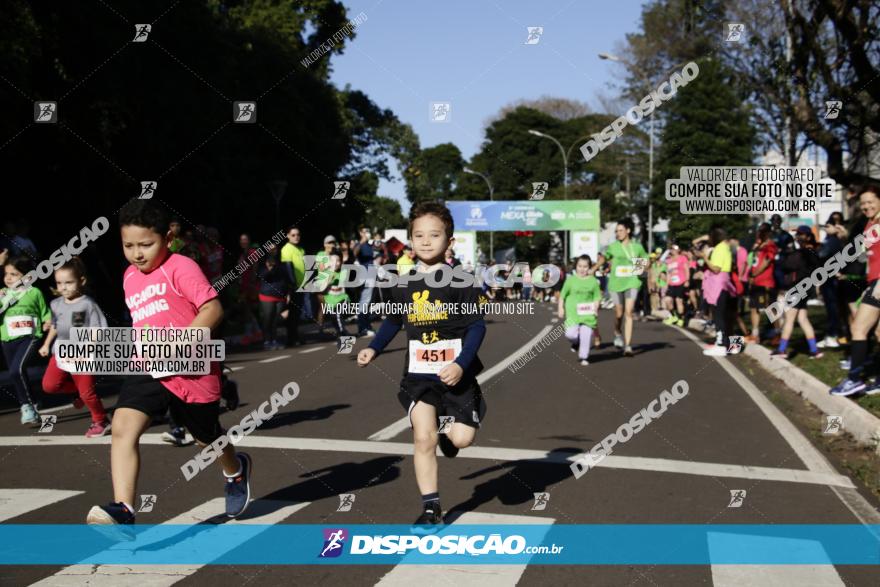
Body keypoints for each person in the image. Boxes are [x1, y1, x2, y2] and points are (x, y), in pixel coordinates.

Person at [87, 200, 252, 531]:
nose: (137, 253)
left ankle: (235, 470)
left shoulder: (181, 267)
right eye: (128, 245)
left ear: (168, 237)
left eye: (146, 244)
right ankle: (124, 509)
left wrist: (184, 341)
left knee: (207, 439)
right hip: (148, 365)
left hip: (191, 368)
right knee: (121, 428)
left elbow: (212, 309)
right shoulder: (129, 277)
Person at [357, 201, 487, 526]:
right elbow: (392, 322)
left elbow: (476, 327)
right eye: (419, 235)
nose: (426, 241)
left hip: (456, 375)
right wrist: (373, 348)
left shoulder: (462, 282)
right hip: (418, 376)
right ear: (410, 241)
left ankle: (447, 426)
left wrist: (460, 364)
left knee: (461, 439)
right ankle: (431, 508)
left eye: (434, 235)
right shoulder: (403, 283)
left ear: (450, 242)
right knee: (422, 438)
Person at [39, 258, 111, 437]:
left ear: (82, 281)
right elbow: (55, 325)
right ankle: (76, 392)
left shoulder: (87, 304)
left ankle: (100, 420)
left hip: (82, 355)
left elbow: (98, 329)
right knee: (49, 386)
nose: (63, 287)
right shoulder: (56, 304)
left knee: (87, 393)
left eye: (69, 282)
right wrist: (46, 344)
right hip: (61, 352)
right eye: (59, 283)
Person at [832, 186, 880, 396]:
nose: (866, 206)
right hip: (874, 281)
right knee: (878, 332)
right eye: (863, 203)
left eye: (871, 201)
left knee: (858, 328)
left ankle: (854, 379)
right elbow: (862, 253)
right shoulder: (871, 223)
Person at [0, 255, 50, 426]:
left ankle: (27, 407)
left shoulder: (34, 292)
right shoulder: (3, 294)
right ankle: (33, 400)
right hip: (7, 339)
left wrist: (48, 321)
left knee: (16, 370)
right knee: (19, 373)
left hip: (30, 337)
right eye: (6, 273)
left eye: (14, 274)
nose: (8, 277)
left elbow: (45, 312)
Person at [596, 218, 647, 357]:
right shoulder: (613, 246)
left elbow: (644, 260)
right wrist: (593, 268)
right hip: (616, 284)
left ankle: (628, 346)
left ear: (628, 231)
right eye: (616, 231)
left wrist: (642, 268)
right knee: (619, 313)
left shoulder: (637, 247)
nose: (618, 233)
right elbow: (603, 259)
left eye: (620, 230)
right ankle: (617, 332)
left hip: (632, 282)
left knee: (628, 312)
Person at [770, 226, 822, 359]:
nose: (798, 236)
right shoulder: (813, 252)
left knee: (789, 320)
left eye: (801, 234)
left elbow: (786, 266)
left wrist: (786, 254)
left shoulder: (802, 253)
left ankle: (782, 349)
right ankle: (814, 350)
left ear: (808, 237)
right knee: (803, 319)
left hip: (796, 288)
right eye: (797, 234)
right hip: (805, 288)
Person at [694, 227, 735, 356]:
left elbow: (716, 268)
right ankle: (729, 344)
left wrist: (704, 258)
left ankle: (721, 345)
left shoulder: (718, 249)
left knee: (718, 315)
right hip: (724, 282)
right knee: (725, 315)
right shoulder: (725, 247)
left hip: (718, 284)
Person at [559, 255, 601, 365]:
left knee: (586, 335)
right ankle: (575, 342)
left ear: (589, 267)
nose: (582, 269)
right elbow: (562, 295)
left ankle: (584, 357)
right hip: (573, 314)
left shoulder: (593, 281)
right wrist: (560, 308)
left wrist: (596, 308)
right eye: (580, 266)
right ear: (576, 267)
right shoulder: (571, 281)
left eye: (585, 266)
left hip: (588, 313)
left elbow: (597, 296)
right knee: (570, 334)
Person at [817, 216, 846, 348]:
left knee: (833, 309)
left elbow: (821, 255)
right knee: (832, 309)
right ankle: (835, 334)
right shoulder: (830, 240)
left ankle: (833, 335)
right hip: (828, 278)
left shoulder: (833, 241)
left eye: (828, 226)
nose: (826, 228)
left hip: (832, 280)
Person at [747, 223, 777, 343]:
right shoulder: (758, 246)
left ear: (769, 232)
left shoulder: (771, 246)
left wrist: (754, 274)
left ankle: (777, 332)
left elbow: (766, 262)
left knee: (770, 308)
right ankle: (755, 334)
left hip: (765, 282)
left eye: (764, 231)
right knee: (754, 308)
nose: (761, 233)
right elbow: (752, 261)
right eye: (760, 231)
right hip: (755, 282)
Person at [280, 225, 305, 346]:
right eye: (293, 235)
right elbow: (288, 268)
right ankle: (291, 339)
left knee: (297, 314)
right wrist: (293, 285)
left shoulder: (300, 249)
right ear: (288, 236)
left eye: (298, 234)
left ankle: (295, 336)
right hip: (293, 287)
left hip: (302, 286)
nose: (296, 237)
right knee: (292, 314)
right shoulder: (286, 249)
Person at [258, 246, 286, 350]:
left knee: (276, 319)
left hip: (280, 294)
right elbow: (261, 276)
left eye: (275, 248)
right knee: (267, 318)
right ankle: (266, 341)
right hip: (267, 295)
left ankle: (274, 340)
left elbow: (284, 277)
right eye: (270, 249)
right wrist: (269, 269)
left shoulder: (281, 261)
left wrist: (287, 292)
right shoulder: (262, 262)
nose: (273, 251)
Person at [354, 227, 377, 337]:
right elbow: (353, 253)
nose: (367, 233)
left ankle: (367, 326)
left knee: (368, 302)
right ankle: (362, 327)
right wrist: (361, 242)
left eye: (368, 231)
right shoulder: (360, 244)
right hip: (364, 274)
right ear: (360, 233)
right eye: (364, 231)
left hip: (371, 273)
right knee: (364, 301)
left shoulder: (369, 245)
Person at [663, 245, 689, 326]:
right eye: (671, 249)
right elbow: (668, 274)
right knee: (667, 300)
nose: (673, 250)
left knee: (679, 301)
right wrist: (666, 284)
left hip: (680, 282)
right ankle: (674, 316)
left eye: (674, 249)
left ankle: (681, 318)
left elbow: (686, 269)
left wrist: (687, 280)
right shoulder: (669, 260)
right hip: (671, 283)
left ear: (678, 250)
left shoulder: (682, 258)